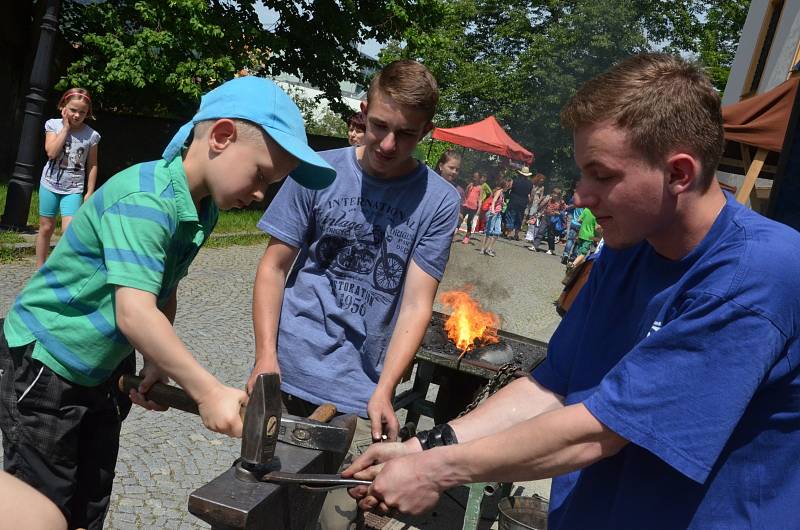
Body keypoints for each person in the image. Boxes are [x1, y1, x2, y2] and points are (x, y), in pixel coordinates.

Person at [344, 52, 800, 529]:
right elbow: (552, 386)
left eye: (601, 175)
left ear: (679, 173)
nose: (581, 194)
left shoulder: (756, 275)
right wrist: (424, 446)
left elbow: (600, 431)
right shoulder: (627, 249)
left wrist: (435, 473)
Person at [0, 76, 335, 530]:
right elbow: (133, 311)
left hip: (99, 371)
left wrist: (158, 360)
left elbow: (164, 289)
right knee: (44, 506)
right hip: (45, 364)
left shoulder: (202, 208)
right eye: (260, 175)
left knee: (90, 498)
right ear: (221, 136)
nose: (261, 194)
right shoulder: (145, 198)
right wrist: (208, 391)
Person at [246, 59, 460, 530]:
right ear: (363, 111)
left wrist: (384, 389)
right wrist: (265, 357)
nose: (387, 144)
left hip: (357, 389)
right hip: (286, 370)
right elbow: (273, 267)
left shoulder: (440, 201)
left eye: (405, 134)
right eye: (379, 126)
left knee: (332, 520)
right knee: (258, 507)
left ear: (427, 132)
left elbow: (416, 303)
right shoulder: (317, 170)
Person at [35, 88, 100, 268]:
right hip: (50, 184)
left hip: (73, 188)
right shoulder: (53, 125)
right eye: (73, 110)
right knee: (46, 227)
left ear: (88, 113)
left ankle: (61, 267)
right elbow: (51, 152)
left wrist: (90, 191)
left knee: (69, 231)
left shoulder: (92, 136)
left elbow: (92, 165)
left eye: (82, 112)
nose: (77, 115)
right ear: (63, 107)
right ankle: (40, 268)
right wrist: (65, 128)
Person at [528, 187, 566, 254]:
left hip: (554, 219)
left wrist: (559, 213)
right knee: (540, 231)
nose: (554, 195)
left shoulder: (561, 202)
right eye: (553, 193)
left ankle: (551, 249)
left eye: (556, 194)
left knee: (551, 235)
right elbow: (544, 207)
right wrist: (539, 213)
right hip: (546, 217)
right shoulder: (549, 200)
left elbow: (564, 210)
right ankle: (535, 246)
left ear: (559, 195)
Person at [503, 166, 534, 240]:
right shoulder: (530, 184)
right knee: (519, 218)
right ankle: (516, 235)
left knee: (511, 217)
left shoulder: (515, 181)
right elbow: (531, 195)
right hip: (523, 203)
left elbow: (509, 188)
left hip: (513, 201)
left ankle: (509, 233)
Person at [479, 179, 507, 257]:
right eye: (508, 184)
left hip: (498, 213)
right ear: (505, 185)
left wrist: (503, 203)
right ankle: (483, 248)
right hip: (493, 213)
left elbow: (497, 201)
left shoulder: (502, 193)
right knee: (489, 231)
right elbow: (494, 201)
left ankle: (489, 248)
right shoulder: (499, 192)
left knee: (497, 231)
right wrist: (493, 210)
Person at [460, 172, 482, 244]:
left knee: (469, 222)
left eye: (476, 177)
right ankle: (455, 230)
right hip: (466, 205)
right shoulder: (470, 185)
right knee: (460, 218)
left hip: (473, 207)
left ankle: (467, 236)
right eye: (473, 177)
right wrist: (468, 187)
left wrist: (479, 209)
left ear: (479, 178)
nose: (474, 178)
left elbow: (480, 199)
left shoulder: (480, 188)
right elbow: (465, 194)